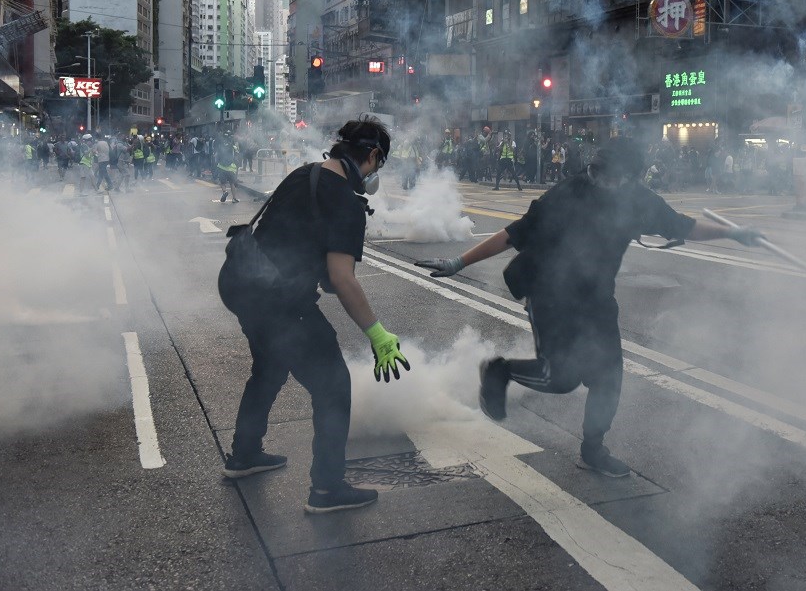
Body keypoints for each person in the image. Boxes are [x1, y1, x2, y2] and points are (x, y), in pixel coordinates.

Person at [415, 138, 762, 477]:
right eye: (599, 173)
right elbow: (513, 233)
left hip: (597, 299)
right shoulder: (569, 191)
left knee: (608, 377)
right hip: (550, 294)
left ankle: (593, 450)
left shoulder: (638, 201)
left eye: (613, 177)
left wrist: (733, 234)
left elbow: (683, 226)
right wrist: (459, 262)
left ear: (632, 177)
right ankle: (500, 371)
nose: (602, 181)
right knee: (562, 378)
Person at [219, 117, 410, 514]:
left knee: (269, 369)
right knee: (334, 388)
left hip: (243, 287)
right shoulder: (345, 201)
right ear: (373, 155)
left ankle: (245, 455)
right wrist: (378, 335)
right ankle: (327, 488)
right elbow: (342, 280)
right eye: (379, 164)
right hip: (281, 303)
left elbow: (290, 238)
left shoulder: (302, 175)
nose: (376, 174)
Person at [215, 132, 240, 203]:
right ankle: (234, 198)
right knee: (232, 183)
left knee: (222, 183)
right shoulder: (234, 147)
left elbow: (216, 156)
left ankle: (225, 191)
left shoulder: (220, 146)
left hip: (221, 167)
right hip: (231, 168)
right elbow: (237, 156)